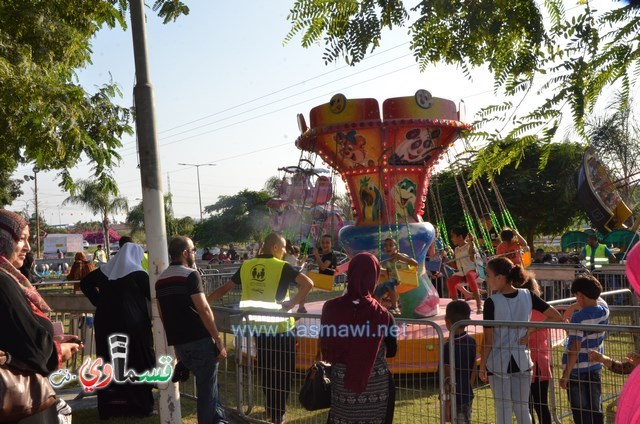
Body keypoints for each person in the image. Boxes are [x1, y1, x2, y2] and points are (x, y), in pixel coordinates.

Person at [209, 233, 313, 424]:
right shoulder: (281, 266)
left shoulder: (247, 265)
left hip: (258, 327)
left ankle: (271, 407)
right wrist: (292, 304)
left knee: (266, 369)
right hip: (281, 329)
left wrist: (205, 302)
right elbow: (308, 284)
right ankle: (278, 412)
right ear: (274, 247)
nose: (284, 252)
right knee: (284, 372)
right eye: (283, 248)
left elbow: (226, 288)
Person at [0, 209, 80, 423]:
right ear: (4, 240)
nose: (27, 247)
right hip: (18, 402)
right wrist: (58, 350)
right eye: (22, 239)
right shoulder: (3, 281)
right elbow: (33, 347)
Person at [479, 257, 562, 424]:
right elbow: (556, 316)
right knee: (522, 408)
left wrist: (482, 364)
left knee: (503, 409)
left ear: (500, 277)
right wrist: (531, 329)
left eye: (488, 275)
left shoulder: (491, 302)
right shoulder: (528, 295)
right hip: (523, 361)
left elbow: (488, 341)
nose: (485, 279)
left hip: (499, 362)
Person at [156, 236, 228, 424]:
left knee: (210, 388)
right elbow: (204, 310)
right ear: (185, 253)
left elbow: (163, 315)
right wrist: (218, 340)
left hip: (180, 341)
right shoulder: (190, 275)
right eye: (193, 250)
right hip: (200, 340)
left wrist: (177, 348)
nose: (195, 253)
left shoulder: (160, 280)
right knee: (206, 391)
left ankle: (219, 420)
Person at [320, 252, 397, 424]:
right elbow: (391, 351)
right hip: (376, 384)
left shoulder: (330, 308)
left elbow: (326, 342)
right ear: (374, 276)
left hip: (341, 382)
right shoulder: (383, 315)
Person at [80, 242, 155, 419]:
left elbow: (85, 284)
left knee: (108, 363)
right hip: (133, 325)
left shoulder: (106, 271)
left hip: (106, 323)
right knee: (137, 362)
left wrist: (99, 301)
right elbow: (153, 295)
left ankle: (111, 407)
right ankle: (139, 406)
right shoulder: (138, 274)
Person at [559, 275, 609, 424]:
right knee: (595, 409)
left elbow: (575, 347)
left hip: (577, 371)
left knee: (581, 412)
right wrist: (573, 307)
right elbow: (597, 300)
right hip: (594, 368)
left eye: (576, 296)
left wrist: (565, 375)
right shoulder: (604, 310)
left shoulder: (579, 318)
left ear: (580, 295)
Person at [520, 277, 552, 424]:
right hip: (538, 362)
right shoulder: (543, 312)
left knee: (528, 405)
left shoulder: (523, 313)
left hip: (531, 363)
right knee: (541, 404)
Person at [442, 300, 476, 424]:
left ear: (447, 321)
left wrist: (447, 400)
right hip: (467, 393)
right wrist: (469, 387)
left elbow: (446, 375)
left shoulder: (447, 346)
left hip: (453, 395)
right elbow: (473, 369)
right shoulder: (472, 342)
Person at [373, 238, 418, 316]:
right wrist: (379, 268)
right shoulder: (387, 262)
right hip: (393, 282)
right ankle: (377, 310)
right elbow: (387, 273)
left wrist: (402, 258)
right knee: (378, 288)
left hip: (404, 279)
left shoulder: (402, 256)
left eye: (391, 245)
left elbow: (415, 264)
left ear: (396, 247)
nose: (388, 247)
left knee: (390, 282)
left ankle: (395, 307)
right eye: (386, 246)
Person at [446, 226, 483, 313]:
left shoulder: (470, 246)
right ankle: (455, 305)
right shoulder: (456, 249)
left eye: (453, 236)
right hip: (462, 274)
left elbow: (472, 258)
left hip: (473, 271)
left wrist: (472, 243)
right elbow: (455, 266)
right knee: (450, 281)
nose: (451, 239)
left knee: (469, 275)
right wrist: (445, 258)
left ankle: (479, 304)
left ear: (460, 237)